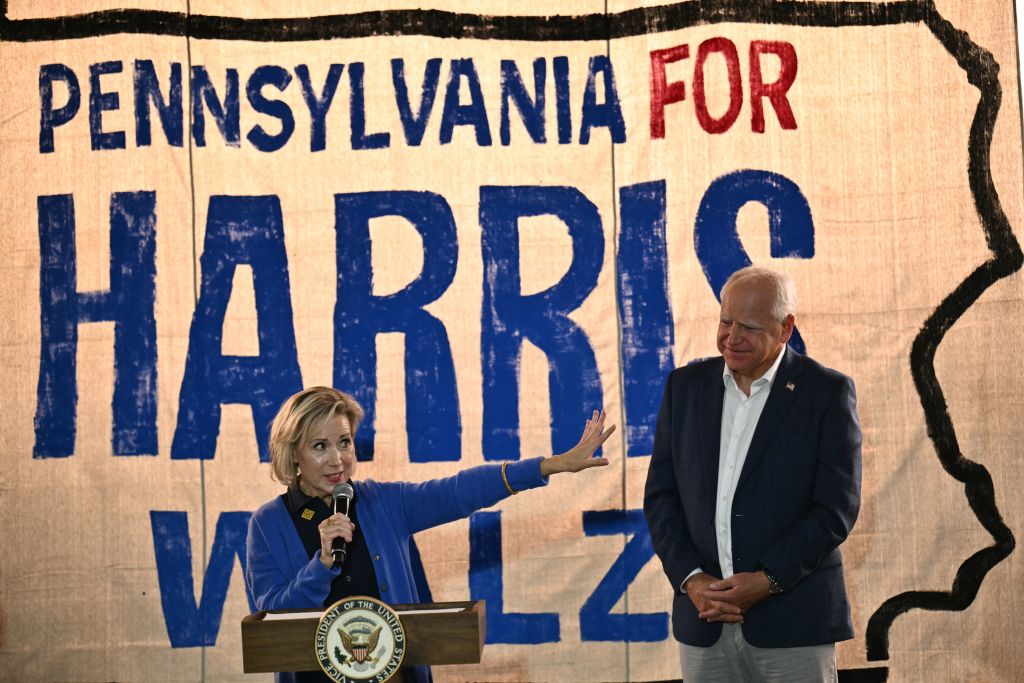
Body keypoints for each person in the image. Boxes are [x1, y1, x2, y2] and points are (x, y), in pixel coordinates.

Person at [246, 386, 614, 683]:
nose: (337, 460)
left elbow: (460, 491)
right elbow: (271, 619)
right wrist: (322, 565)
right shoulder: (267, 523)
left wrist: (549, 466)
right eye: (319, 446)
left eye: (344, 442)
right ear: (293, 453)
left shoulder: (384, 503)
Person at [643, 266, 862, 682]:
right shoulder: (684, 388)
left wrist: (768, 580)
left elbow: (836, 509)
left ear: (786, 329)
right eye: (725, 321)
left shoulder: (826, 393)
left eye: (749, 326)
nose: (732, 336)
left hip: (794, 624)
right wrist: (692, 580)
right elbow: (661, 498)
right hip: (703, 622)